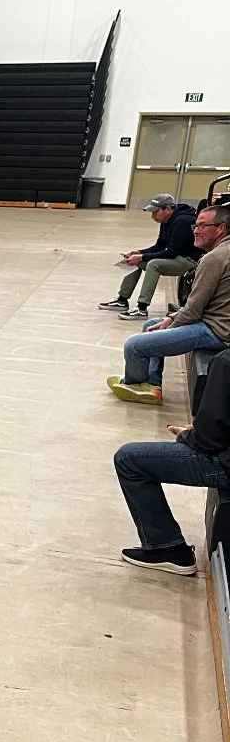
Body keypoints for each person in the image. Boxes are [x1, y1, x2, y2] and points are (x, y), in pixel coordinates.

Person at [114, 347, 230, 576]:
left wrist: (187, 435)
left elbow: (208, 439)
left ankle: (166, 547)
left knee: (128, 459)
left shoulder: (225, 362)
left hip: (225, 464)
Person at [108, 204, 230, 405]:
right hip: (211, 321)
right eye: (195, 226)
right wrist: (170, 319)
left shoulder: (214, 258)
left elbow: (193, 309)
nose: (196, 230)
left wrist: (170, 323)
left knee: (135, 345)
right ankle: (152, 384)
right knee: (151, 326)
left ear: (220, 229)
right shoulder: (221, 251)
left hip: (216, 331)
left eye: (202, 226)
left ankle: (135, 384)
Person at [100, 195, 199, 320]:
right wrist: (139, 253)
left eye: (155, 212)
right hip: (177, 257)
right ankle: (122, 300)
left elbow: (171, 252)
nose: (153, 216)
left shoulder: (183, 221)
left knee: (153, 264)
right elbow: (160, 246)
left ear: (167, 209)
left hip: (189, 261)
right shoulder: (166, 220)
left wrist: (143, 256)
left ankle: (142, 308)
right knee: (135, 262)